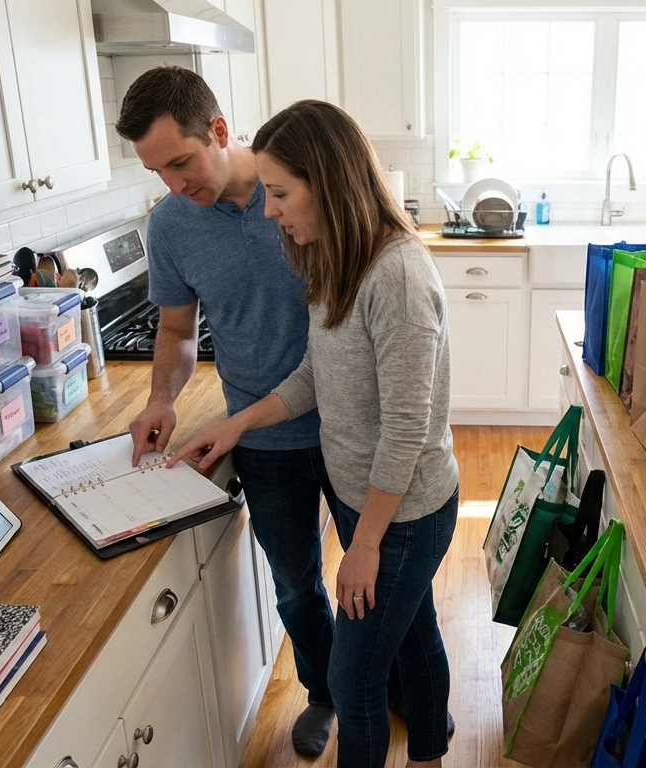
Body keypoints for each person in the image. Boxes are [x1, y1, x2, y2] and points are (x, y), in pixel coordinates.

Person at [167, 99, 459, 768]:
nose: (269, 210)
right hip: (375, 505)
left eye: (280, 192)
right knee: (415, 640)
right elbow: (312, 375)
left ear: (326, 181)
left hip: (405, 515)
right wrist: (235, 423)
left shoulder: (399, 276)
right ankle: (430, 758)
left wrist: (364, 545)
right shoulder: (333, 256)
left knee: (354, 684)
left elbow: (407, 427)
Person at [113, 66, 340, 757]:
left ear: (217, 130)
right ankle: (327, 691)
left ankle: (397, 685)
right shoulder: (173, 223)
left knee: (382, 574)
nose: (175, 185)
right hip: (261, 437)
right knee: (297, 585)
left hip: (346, 422)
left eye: (180, 162)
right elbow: (179, 333)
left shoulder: (303, 187)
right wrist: (161, 398)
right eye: (158, 172)